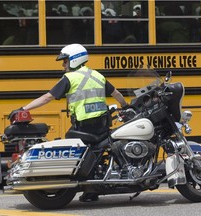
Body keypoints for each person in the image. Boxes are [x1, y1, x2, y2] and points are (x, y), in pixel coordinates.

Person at [8, 43, 128, 202]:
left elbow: (47, 97)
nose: (63, 65)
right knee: (95, 151)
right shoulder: (97, 75)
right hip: (103, 125)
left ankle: (89, 187)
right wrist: (126, 107)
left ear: (74, 60)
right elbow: (116, 93)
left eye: (65, 61)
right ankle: (92, 190)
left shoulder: (70, 78)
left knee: (74, 147)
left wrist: (23, 108)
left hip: (84, 126)